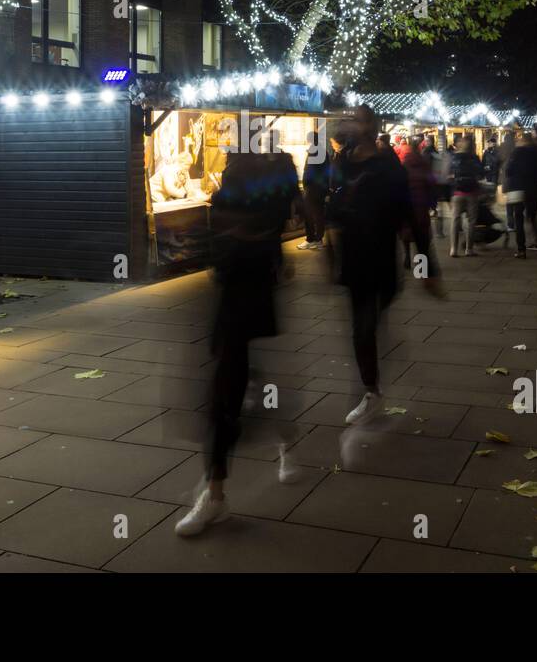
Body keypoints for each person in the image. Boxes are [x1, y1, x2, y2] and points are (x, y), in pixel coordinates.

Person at [175, 149, 299, 536]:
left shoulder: (268, 182)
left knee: (224, 394)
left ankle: (216, 495)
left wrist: (244, 235)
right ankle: (279, 435)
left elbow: (268, 226)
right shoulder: (246, 187)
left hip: (248, 298)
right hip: (231, 298)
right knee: (236, 383)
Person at [328, 105, 432, 424]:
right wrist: (329, 244)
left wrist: (427, 265)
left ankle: (374, 381)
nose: (351, 125)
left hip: (381, 259)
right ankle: (371, 391)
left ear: (370, 127)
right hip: (354, 258)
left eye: (357, 120)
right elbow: (334, 203)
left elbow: (410, 214)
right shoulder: (343, 161)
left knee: (369, 323)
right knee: (362, 327)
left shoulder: (388, 166)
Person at [502, 131, 537, 258]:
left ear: (523, 140)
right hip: (532, 188)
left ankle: (521, 249)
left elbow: (508, 170)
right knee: (532, 217)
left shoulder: (517, 152)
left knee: (518, 218)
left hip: (517, 187)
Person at [401, 136, 439, 270]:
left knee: (406, 233)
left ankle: (407, 257)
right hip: (421, 206)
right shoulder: (424, 165)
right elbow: (432, 184)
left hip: (408, 205)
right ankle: (421, 269)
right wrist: (433, 204)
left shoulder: (404, 164)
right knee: (422, 238)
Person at [448, 135, 483, 257]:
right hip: (472, 192)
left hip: (457, 192)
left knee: (455, 220)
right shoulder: (474, 157)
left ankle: (453, 249)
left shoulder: (453, 157)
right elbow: (481, 173)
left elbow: (448, 174)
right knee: (471, 221)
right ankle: (469, 249)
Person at [297, 128, 331, 251]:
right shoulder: (323, 151)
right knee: (319, 214)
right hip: (320, 188)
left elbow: (309, 171)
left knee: (309, 215)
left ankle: (311, 239)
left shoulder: (314, 151)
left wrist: (306, 185)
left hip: (312, 189)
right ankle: (318, 239)